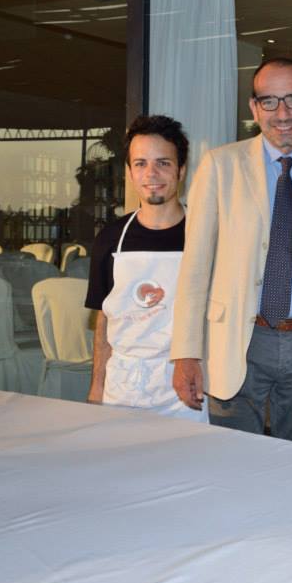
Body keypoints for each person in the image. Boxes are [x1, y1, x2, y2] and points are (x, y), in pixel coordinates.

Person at [170, 57, 292, 442]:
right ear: (254, 108)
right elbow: (195, 267)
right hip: (237, 340)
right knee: (232, 457)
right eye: (269, 101)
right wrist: (186, 353)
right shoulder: (220, 166)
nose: (282, 113)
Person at [86, 115, 205, 421]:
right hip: (122, 385)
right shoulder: (110, 238)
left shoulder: (204, 235)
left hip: (184, 387)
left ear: (181, 169)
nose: (151, 174)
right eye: (140, 164)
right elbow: (103, 319)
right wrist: (97, 387)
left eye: (163, 163)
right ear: (129, 172)